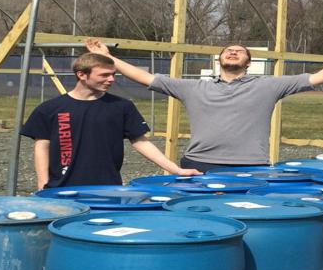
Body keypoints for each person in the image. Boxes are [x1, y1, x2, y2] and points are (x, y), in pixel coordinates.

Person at [82, 34, 323, 171]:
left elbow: (317, 78)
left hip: (251, 167)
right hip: (198, 167)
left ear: (249, 63)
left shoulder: (268, 86)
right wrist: (110, 58)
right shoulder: (193, 88)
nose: (234, 52)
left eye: (240, 51)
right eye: (229, 50)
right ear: (220, 60)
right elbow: (146, 78)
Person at [21, 51, 198, 189]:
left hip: (107, 189)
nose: (111, 79)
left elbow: (141, 142)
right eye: (104, 75)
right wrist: (43, 183)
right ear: (82, 75)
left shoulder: (121, 107)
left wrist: (176, 170)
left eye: (113, 74)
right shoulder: (50, 109)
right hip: (61, 189)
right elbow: (41, 146)